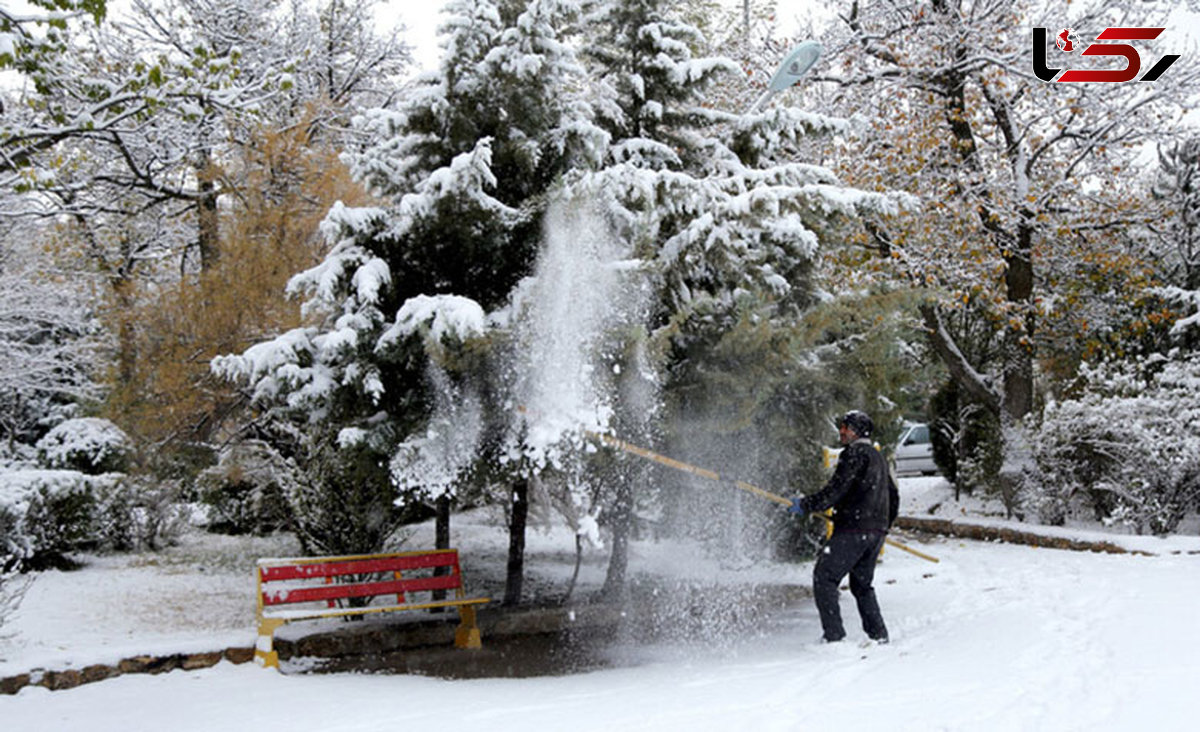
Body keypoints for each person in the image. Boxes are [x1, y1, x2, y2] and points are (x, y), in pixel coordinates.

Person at [788, 410, 899, 643]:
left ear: (857, 431)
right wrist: (882, 526)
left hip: (853, 530)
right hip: (874, 533)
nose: (841, 432)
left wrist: (805, 504)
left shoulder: (854, 454)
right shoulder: (878, 457)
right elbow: (893, 496)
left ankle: (834, 637)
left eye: (845, 428)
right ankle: (879, 635)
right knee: (862, 585)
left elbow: (835, 491)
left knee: (824, 577)